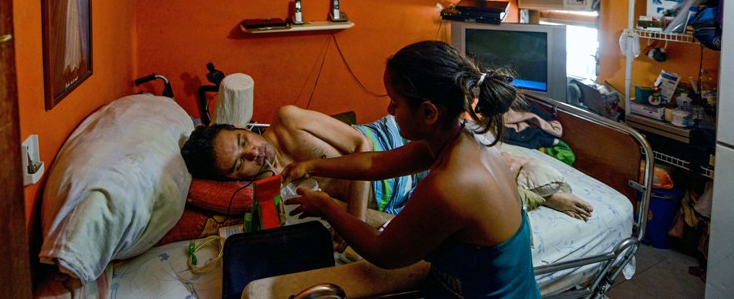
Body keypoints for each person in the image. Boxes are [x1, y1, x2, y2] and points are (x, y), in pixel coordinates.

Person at [281, 40, 542, 298]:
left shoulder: (451, 185)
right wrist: (311, 166)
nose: (389, 110)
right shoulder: (454, 138)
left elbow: (383, 252)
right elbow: (375, 163)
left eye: (395, 103)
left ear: (429, 113)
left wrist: (326, 206)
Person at [181, 108, 592, 225]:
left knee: (484, 158)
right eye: (240, 166)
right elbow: (339, 207)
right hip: (394, 197)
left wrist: (356, 220)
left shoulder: (288, 123)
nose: (253, 155)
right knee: (466, 206)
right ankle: (532, 195)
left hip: (391, 147)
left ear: (241, 127)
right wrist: (367, 227)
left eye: (243, 142)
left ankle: (540, 179)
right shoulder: (272, 188)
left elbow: (361, 144)